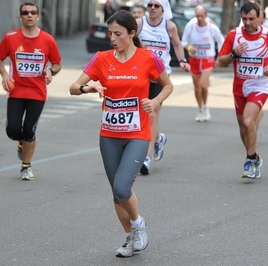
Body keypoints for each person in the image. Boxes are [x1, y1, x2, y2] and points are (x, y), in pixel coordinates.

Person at [69, 10, 173, 256]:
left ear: (132, 33)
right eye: (110, 33)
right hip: (109, 135)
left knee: (122, 188)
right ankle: (130, 238)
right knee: (116, 194)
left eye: (118, 34)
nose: (112, 38)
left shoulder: (148, 58)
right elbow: (73, 87)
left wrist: (155, 101)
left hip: (137, 133)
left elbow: (168, 85)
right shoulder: (101, 58)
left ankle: (138, 224)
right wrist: (87, 87)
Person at [217, 2, 268, 179]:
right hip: (239, 87)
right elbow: (221, 61)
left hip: (260, 85)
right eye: (244, 18)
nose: (247, 22)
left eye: (251, 19)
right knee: (243, 128)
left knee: (248, 122)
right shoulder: (234, 35)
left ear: (260, 17)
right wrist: (234, 54)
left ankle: (249, 160)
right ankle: (254, 156)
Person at [0, 2, 62, 180]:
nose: (29, 15)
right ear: (21, 16)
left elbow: (57, 64)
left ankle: (26, 167)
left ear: (37, 16)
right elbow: (0, 58)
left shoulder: (48, 40)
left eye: (33, 12)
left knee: (29, 131)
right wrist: (4, 74)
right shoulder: (10, 37)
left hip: (37, 93)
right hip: (16, 91)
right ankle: (21, 143)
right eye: (25, 12)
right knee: (13, 130)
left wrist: (50, 71)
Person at [136, 0, 190, 175]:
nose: (152, 8)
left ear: (163, 8)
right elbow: (129, 41)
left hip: (160, 76)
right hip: (140, 76)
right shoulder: (139, 23)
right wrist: (139, 47)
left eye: (156, 5)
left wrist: (182, 60)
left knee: (152, 115)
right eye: (150, 4)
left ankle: (146, 158)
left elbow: (176, 44)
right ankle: (158, 139)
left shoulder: (169, 27)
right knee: (141, 116)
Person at [181, 5, 224, 122]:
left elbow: (221, 40)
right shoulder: (190, 26)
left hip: (207, 59)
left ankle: (205, 106)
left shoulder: (212, 28)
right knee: (197, 88)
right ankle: (200, 109)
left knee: (204, 85)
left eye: (202, 16)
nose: (200, 18)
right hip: (194, 59)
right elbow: (183, 41)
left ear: (206, 16)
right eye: (198, 16)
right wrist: (190, 48)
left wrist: (219, 57)